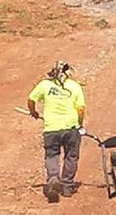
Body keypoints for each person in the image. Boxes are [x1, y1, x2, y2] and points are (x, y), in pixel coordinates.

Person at [27, 60, 87, 203]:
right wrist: (79, 124)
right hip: (71, 128)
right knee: (71, 156)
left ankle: (53, 177)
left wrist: (33, 112)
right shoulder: (75, 86)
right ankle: (66, 186)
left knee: (52, 155)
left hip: (51, 128)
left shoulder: (45, 85)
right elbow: (81, 109)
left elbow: (31, 99)